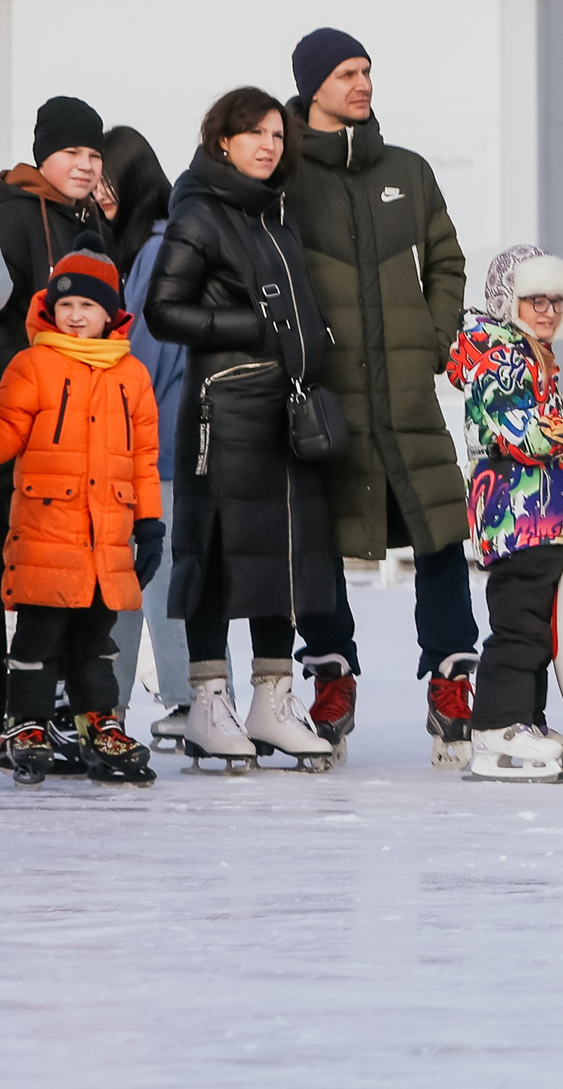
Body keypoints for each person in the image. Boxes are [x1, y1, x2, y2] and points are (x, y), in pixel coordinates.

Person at [283, 27, 474, 763]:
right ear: (313, 89)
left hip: (407, 394)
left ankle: (452, 678)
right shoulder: (289, 177)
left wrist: (434, 335)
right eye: (346, 73)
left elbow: (448, 260)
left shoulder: (409, 170)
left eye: (366, 71)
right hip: (328, 397)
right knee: (322, 538)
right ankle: (332, 677)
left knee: (438, 528)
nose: (362, 84)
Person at [145, 88, 348, 771]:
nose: (269, 145)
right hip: (222, 411)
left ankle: (273, 695)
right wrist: (251, 327)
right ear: (221, 141)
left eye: (277, 135)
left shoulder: (276, 223)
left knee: (283, 551)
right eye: (253, 133)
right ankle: (207, 699)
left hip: (281, 412)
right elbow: (162, 310)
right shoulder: (199, 214)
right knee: (215, 549)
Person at [0, 250, 161, 785]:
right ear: (49, 307)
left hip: (106, 539)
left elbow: (144, 461)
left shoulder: (132, 375)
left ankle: (101, 725)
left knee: (98, 641)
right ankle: (26, 723)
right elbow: (7, 428)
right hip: (47, 533)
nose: (74, 315)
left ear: (110, 313)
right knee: (38, 638)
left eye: (87, 305)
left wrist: (150, 524)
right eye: (65, 303)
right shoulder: (32, 364)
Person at [445, 246, 563, 778]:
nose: (549, 311)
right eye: (536, 299)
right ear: (509, 300)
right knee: (520, 625)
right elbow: (521, 430)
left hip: (538, 514)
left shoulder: (530, 352)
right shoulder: (501, 353)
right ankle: (496, 725)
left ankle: (525, 720)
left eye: (558, 301)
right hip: (516, 515)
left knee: (535, 624)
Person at [96, 127, 191, 738]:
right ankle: (109, 704)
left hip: (158, 443)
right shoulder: (130, 248)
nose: (99, 193)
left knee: (162, 581)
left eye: (107, 181)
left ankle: (194, 701)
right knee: (128, 578)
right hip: (142, 442)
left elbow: (148, 355)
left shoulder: (156, 250)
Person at [0, 96, 111, 369]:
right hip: (24, 391)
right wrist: (20, 375)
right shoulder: (12, 215)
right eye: (72, 152)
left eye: (94, 155)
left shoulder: (97, 224)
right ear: (44, 157)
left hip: (86, 393)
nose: (85, 165)